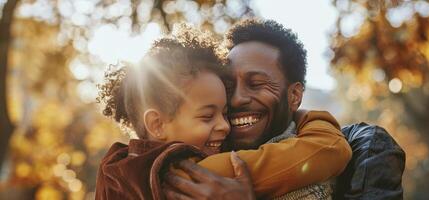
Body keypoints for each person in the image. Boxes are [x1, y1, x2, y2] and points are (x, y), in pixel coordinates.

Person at [95, 24, 352, 200]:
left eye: (257, 83)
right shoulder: (186, 172)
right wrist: (313, 119)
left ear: (294, 94)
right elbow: (326, 151)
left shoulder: (121, 166)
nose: (226, 123)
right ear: (157, 123)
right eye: (207, 115)